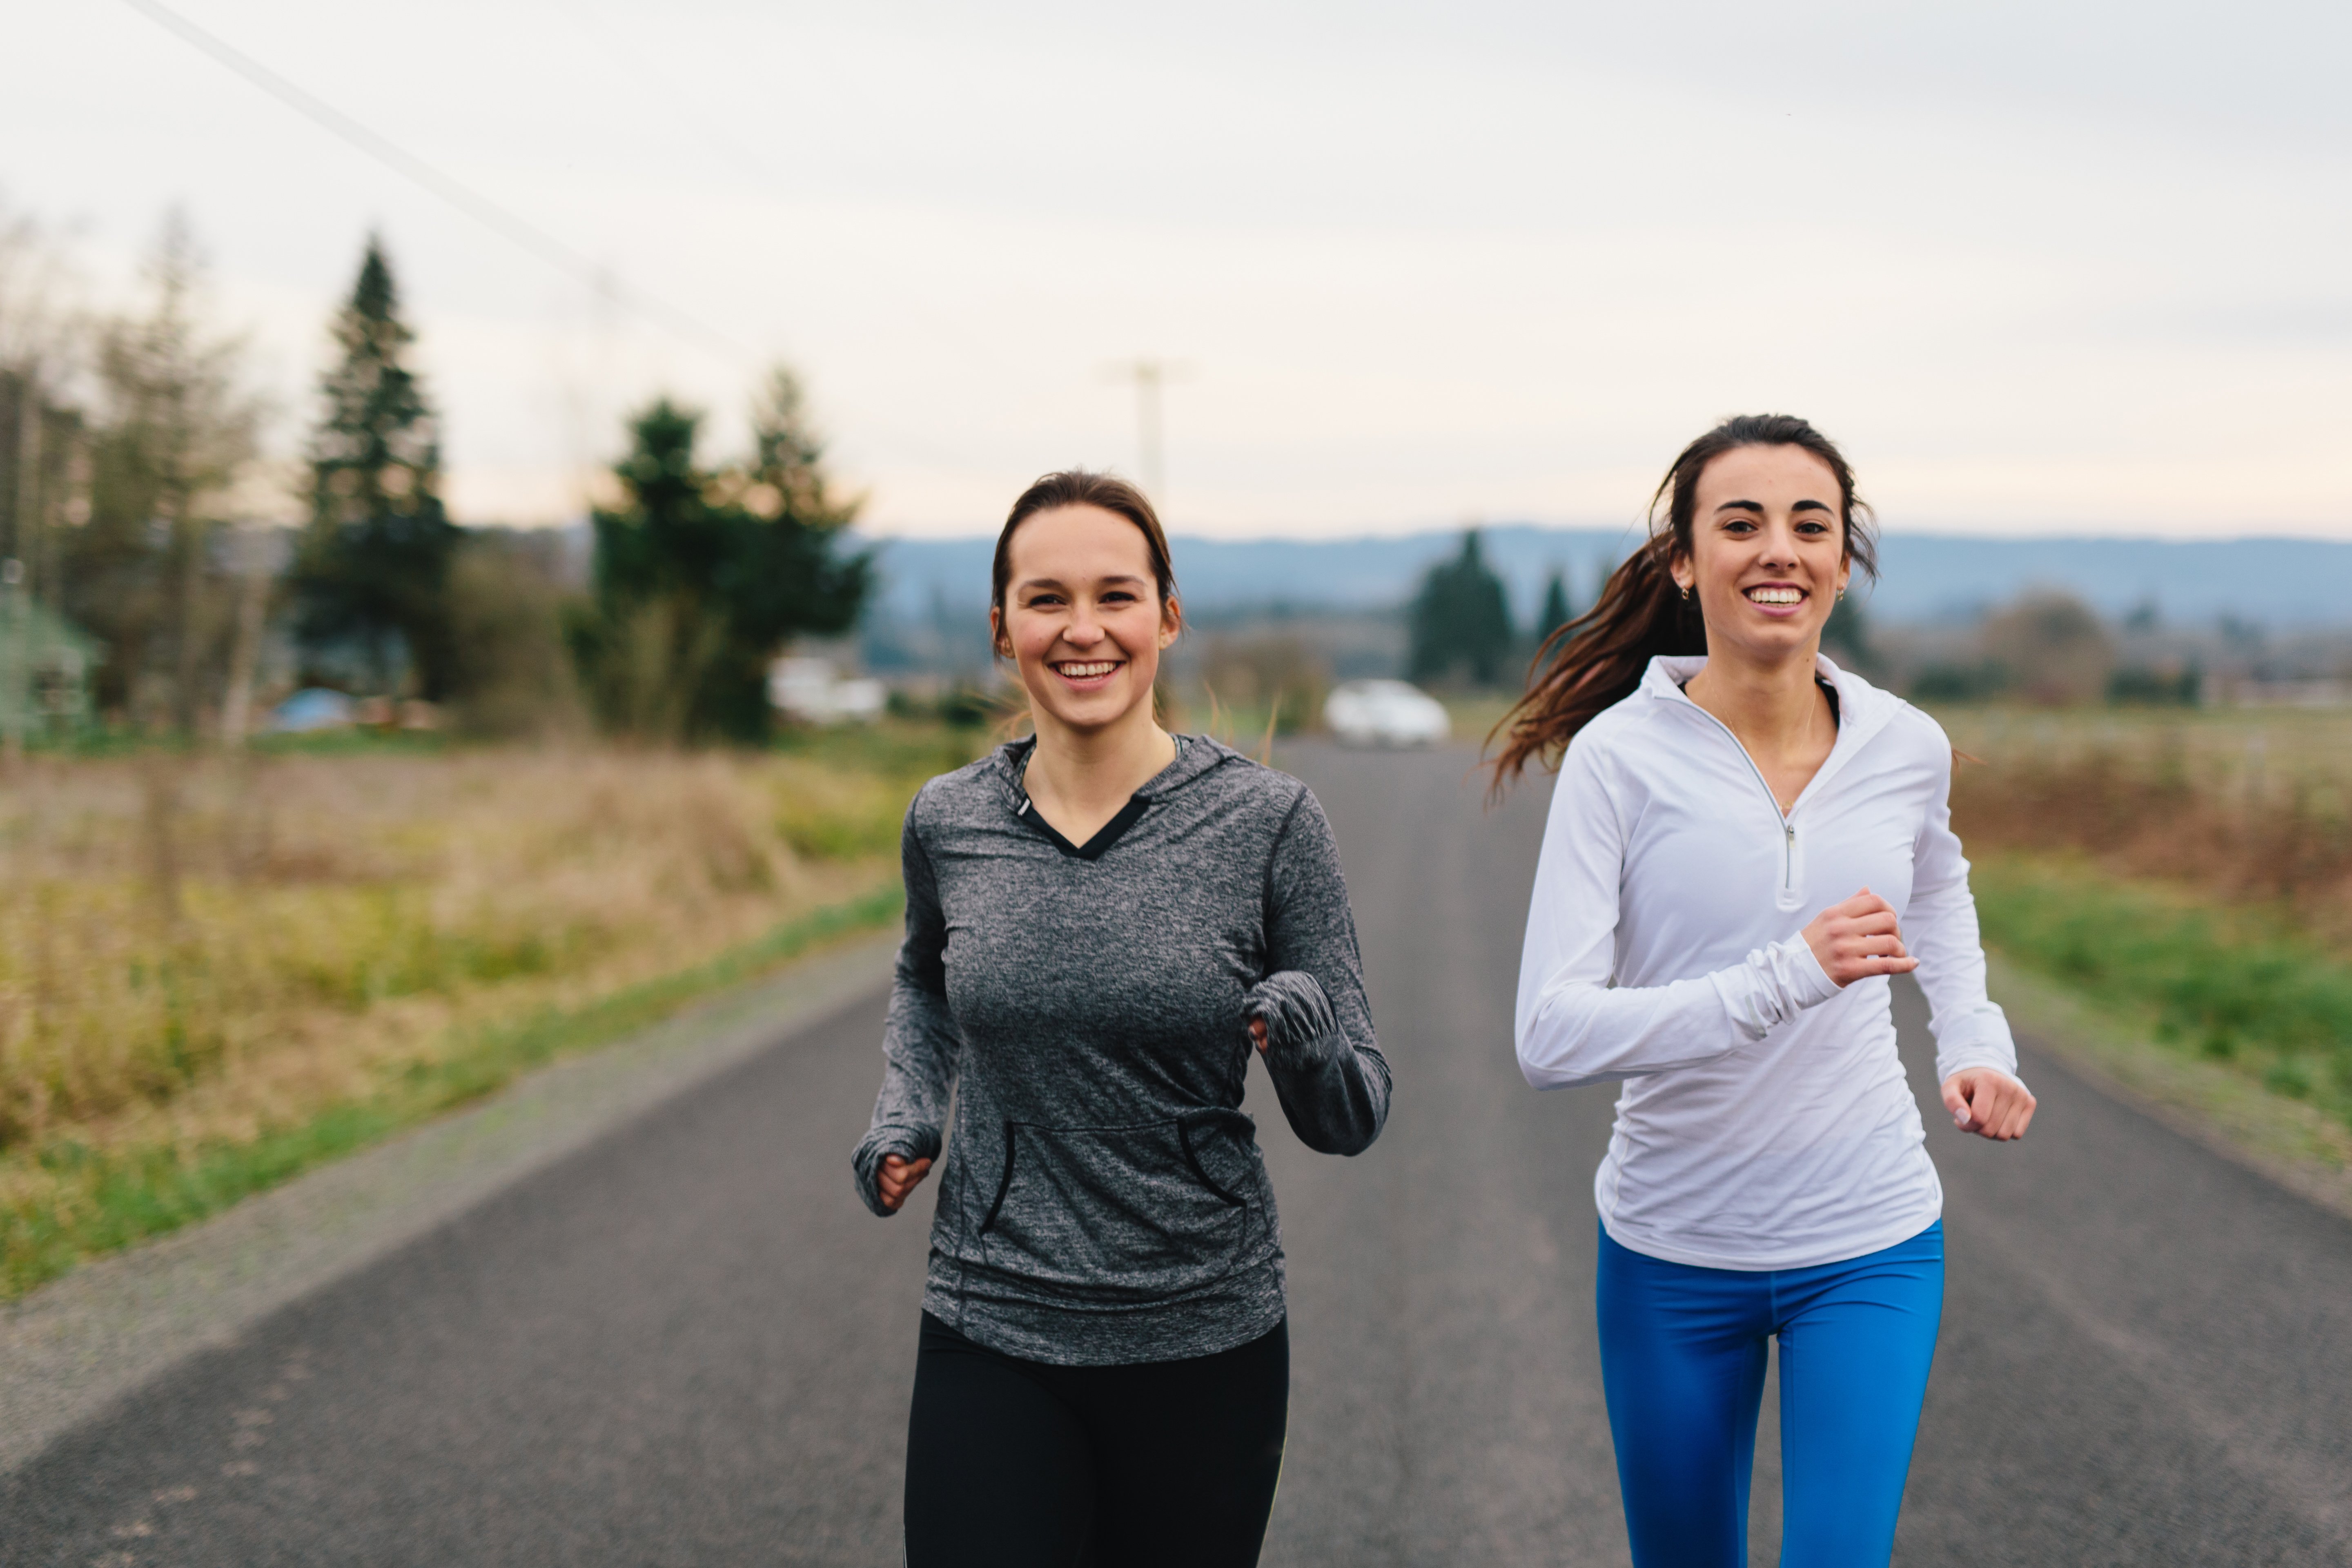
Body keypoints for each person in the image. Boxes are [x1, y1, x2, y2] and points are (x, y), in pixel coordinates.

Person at [1492, 414, 2036, 1568]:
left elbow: (1937, 890)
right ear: (1684, 561)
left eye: (1810, 525)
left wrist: (1973, 1044)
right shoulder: (1617, 760)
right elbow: (1549, 1033)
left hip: (1871, 1236)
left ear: (1845, 561)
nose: (1777, 549)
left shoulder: (1906, 745)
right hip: (1672, 1250)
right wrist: (1786, 976)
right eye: (1739, 524)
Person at [852, 469, 1391, 1568]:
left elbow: (1354, 1114)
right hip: (989, 1320)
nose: (1083, 629)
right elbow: (922, 978)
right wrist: (906, 1113)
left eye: (1116, 596)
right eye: (1047, 600)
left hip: (1204, 1335)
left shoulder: (1271, 824)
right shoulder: (948, 819)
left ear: (1167, 618)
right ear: (1003, 628)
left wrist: (1308, 1038)